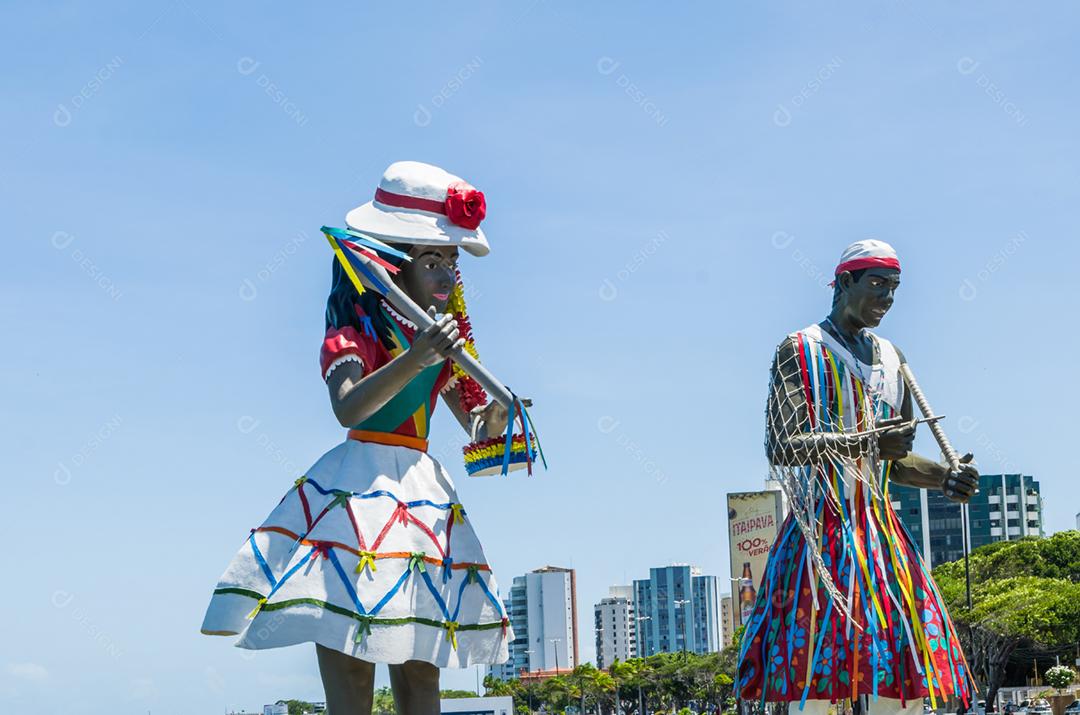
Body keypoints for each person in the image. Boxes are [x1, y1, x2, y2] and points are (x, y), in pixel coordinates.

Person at [201, 161, 523, 715]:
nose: (447, 276)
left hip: (421, 498)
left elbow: (474, 426)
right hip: (357, 494)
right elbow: (348, 406)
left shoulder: (442, 343)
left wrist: (495, 417)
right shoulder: (355, 330)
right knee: (349, 659)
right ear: (392, 263)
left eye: (451, 263)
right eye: (432, 261)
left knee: (421, 664)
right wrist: (418, 356)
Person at [737, 240, 979, 715]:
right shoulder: (800, 349)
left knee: (898, 679)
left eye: (894, 288)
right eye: (877, 284)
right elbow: (782, 445)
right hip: (819, 538)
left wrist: (946, 479)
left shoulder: (892, 358)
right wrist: (867, 444)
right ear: (845, 282)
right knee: (815, 680)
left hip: (882, 540)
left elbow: (897, 460)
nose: (887, 298)